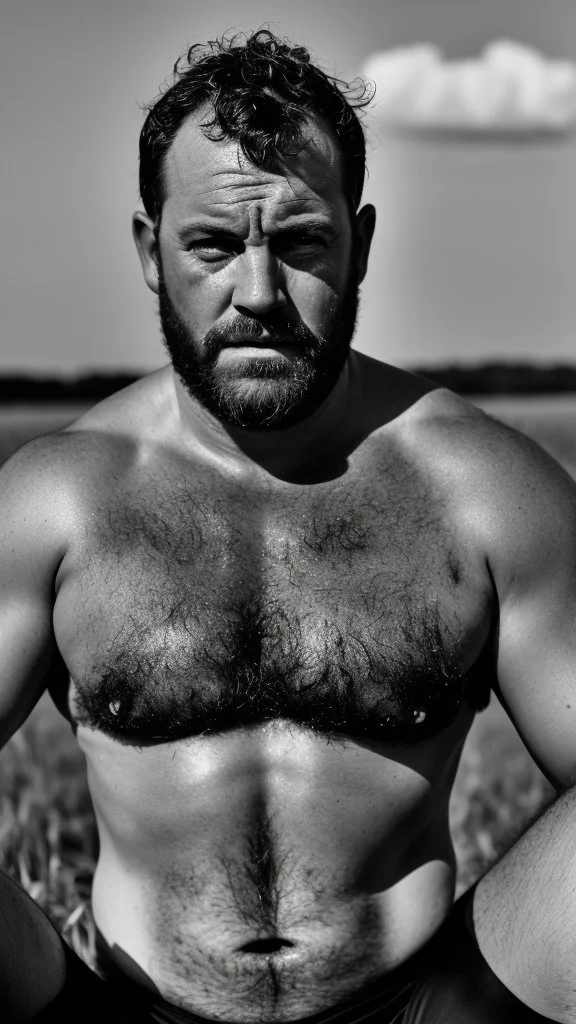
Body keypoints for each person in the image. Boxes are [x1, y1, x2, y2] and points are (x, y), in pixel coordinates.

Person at [1, 28, 576, 1024]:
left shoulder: (485, 489)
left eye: (301, 242)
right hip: (126, 1011)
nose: (259, 294)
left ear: (360, 244)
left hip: (425, 1003)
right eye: (216, 245)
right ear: (151, 252)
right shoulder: (62, 499)